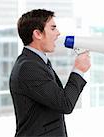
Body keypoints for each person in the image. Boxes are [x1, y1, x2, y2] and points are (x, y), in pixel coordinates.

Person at [9, 9, 91, 137]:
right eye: (53, 28)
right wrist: (78, 70)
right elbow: (65, 104)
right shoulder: (29, 67)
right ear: (37, 34)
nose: (58, 33)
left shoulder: (35, 62)